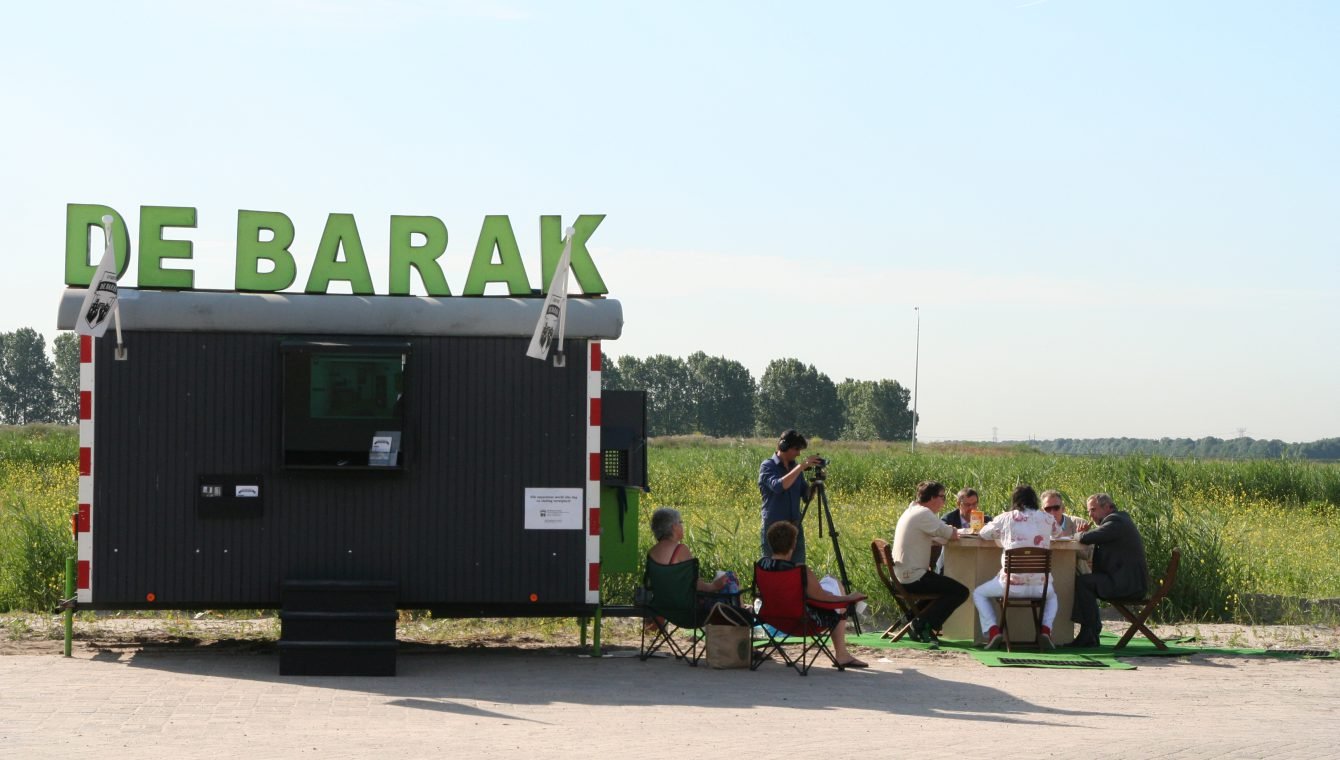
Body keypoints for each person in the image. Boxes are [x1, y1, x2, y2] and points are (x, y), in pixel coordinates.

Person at [758, 521, 867, 668]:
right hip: (804, 621)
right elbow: (823, 599)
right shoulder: (799, 570)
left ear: (771, 543)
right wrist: (848, 598)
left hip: (773, 618)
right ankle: (841, 655)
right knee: (834, 586)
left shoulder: (762, 565)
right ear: (793, 545)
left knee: (830, 584)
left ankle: (842, 654)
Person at [973, 484, 1062, 649]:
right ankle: (1045, 630)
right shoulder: (1047, 518)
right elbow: (1058, 533)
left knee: (979, 593)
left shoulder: (1005, 518)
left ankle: (993, 631)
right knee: (1052, 597)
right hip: (1040, 586)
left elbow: (983, 533)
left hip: (1011, 586)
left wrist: (1002, 535)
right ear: (1034, 500)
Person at [892, 480, 968, 647]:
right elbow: (950, 534)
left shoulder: (912, 510)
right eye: (942, 497)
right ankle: (921, 624)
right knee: (960, 592)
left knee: (942, 587)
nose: (944, 501)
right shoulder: (924, 514)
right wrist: (952, 531)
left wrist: (946, 533)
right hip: (913, 578)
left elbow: (936, 535)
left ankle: (913, 618)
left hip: (901, 576)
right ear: (932, 498)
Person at [1068, 493, 1149, 647]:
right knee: (1085, 581)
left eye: (1093, 510)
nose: (1090, 515)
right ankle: (1091, 630)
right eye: (1088, 512)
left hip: (1127, 585)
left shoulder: (1116, 522)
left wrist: (1079, 534)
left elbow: (1088, 538)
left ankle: (1089, 632)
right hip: (1126, 581)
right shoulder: (1120, 520)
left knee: (1084, 583)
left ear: (1107, 507)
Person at [758, 429, 823, 566]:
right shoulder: (768, 466)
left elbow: (805, 496)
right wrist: (801, 467)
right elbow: (778, 486)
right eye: (796, 449)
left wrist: (815, 486)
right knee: (772, 568)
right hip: (774, 528)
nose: (799, 453)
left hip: (794, 526)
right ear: (784, 447)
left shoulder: (795, 468)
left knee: (798, 568)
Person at [647, 507, 730, 594]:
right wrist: (714, 585)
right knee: (731, 579)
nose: (682, 526)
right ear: (674, 527)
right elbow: (696, 584)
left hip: (659, 604)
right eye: (680, 522)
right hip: (682, 605)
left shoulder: (652, 551)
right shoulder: (680, 550)